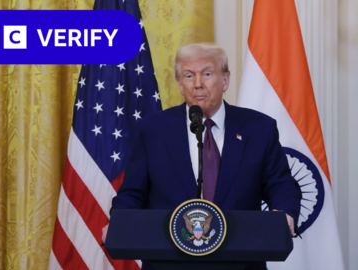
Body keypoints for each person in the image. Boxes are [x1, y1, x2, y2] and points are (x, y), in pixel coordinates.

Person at [103, 43, 301, 270]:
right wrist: (119, 222)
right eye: (189, 75)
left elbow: (281, 184)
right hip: (169, 263)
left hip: (241, 262)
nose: (198, 84)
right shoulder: (152, 131)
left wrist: (283, 213)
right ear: (179, 84)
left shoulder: (258, 128)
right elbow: (133, 192)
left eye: (207, 74)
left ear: (225, 80)